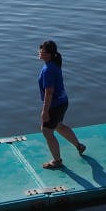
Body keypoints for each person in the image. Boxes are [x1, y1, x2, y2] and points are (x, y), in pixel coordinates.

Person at [37, 40, 85, 169]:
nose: (41, 52)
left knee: (47, 131)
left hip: (55, 105)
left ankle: (57, 161)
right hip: (63, 101)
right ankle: (79, 146)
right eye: (40, 49)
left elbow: (49, 92)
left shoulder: (48, 69)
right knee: (59, 126)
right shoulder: (53, 64)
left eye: (44, 51)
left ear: (51, 54)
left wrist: (45, 111)